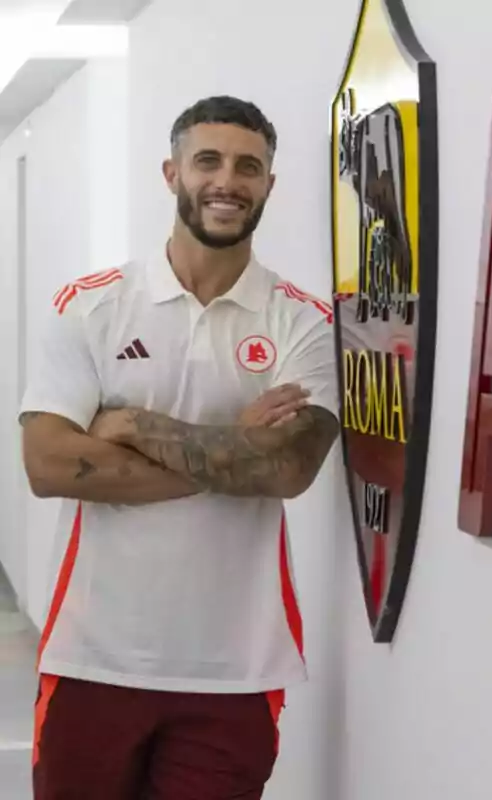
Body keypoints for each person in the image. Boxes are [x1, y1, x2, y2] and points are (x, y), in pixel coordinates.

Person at [18, 95, 340, 798]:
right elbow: (47, 465)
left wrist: (130, 427)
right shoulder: (92, 305)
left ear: (269, 186)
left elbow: (287, 468)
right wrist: (236, 449)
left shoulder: (304, 323)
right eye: (208, 161)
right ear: (172, 174)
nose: (228, 181)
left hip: (237, 671)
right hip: (91, 657)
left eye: (248, 167)